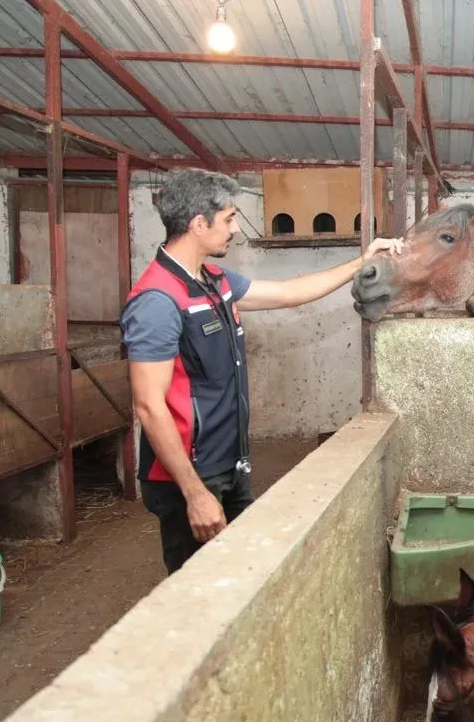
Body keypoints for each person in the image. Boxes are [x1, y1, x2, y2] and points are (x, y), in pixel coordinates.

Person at [120, 168, 402, 573]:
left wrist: (363, 261)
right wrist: (194, 492)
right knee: (201, 587)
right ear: (199, 224)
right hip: (191, 476)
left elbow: (290, 293)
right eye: (229, 218)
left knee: (241, 578)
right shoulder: (157, 301)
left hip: (229, 464)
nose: (234, 229)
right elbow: (148, 406)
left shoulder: (214, 281)